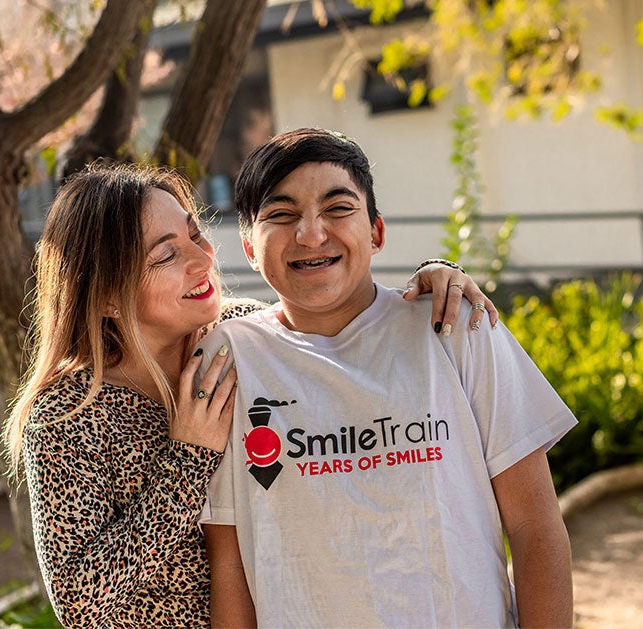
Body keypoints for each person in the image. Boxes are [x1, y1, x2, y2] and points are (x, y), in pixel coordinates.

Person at [1, 161, 499, 627]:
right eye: (167, 255)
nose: (202, 259)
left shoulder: (244, 337)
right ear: (106, 294)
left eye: (194, 234)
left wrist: (433, 279)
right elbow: (79, 603)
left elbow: (349, 334)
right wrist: (188, 462)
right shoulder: (68, 417)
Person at [200, 128, 577, 628]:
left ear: (376, 232)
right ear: (249, 246)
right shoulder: (227, 360)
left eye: (338, 209)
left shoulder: (455, 327)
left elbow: (535, 526)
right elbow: (229, 565)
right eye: (281, 214)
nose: (311, 234)